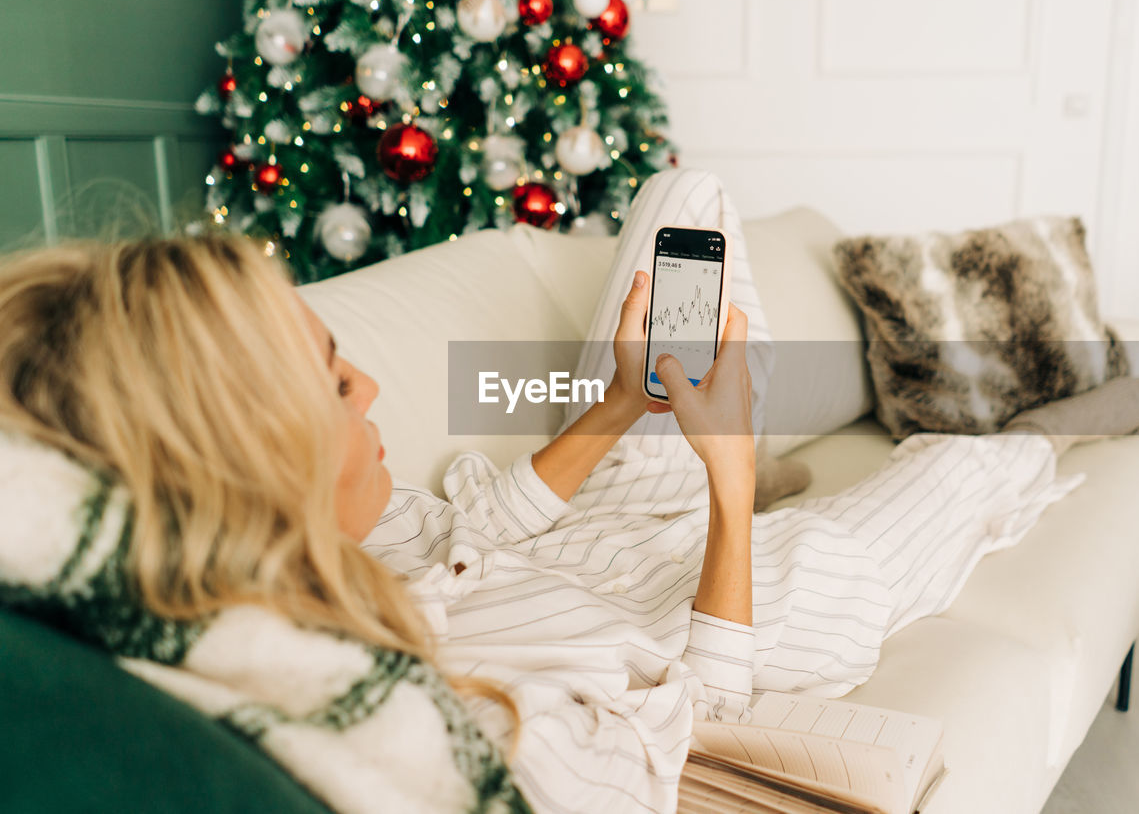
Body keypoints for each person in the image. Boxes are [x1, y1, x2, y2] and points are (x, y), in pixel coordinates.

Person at [0, 170, 1078, 814]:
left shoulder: (311, 544)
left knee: (682, 198)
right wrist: (727, 472)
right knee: (959, 466)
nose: (370, 382)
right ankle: (804, 477)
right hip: (708, 614)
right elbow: (708, 717)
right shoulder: (468, 731)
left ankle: (717, 462)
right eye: (335, 381)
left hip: (589, 515)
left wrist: (617, 402)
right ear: (246, 459)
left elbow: (465, 528)